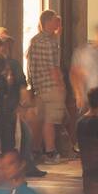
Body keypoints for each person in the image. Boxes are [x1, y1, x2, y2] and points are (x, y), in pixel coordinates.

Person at [26, 10, 66, 163]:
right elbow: (53, 67)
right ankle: (50, 152)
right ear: (48, 22)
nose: (58, 24)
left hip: (39, 86)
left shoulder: (35, 40)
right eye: (56, 21)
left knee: (41, 120)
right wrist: (61, 85)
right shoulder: (49, 43)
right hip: (51, 85)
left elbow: (31, 65)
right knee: (51, 120)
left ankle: (37, 151)